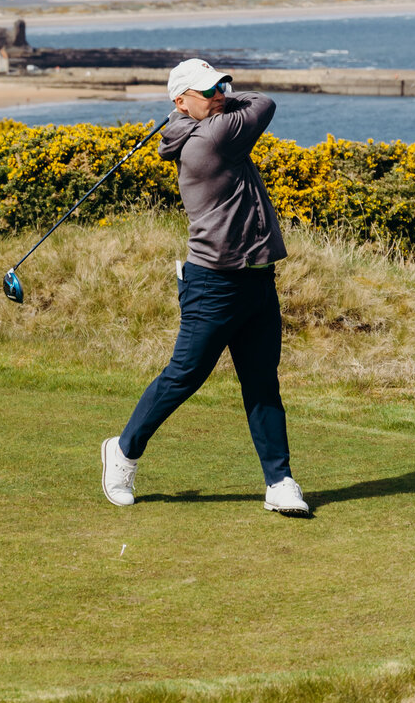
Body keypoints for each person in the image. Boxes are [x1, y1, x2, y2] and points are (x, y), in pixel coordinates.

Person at [101, 58, 308, 514]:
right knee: (183, 377)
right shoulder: (212, 138)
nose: (220, 92)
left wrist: (204, 104)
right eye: (207, 89)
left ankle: (279, 482)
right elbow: (265, 103)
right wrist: (221, 104)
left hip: (256, 277)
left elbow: (234, 105)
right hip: (214, 284)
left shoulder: (203, 126)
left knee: (261, 382)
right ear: (179, 101)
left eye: (222, 84)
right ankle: (123, 451)